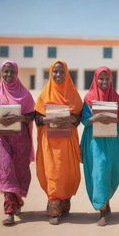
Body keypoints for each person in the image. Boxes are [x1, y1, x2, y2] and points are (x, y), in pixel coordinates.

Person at [0, 60, 35, 226]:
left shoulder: (25, 94)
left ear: (17, 73)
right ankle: (10, 211)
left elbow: (31, 115)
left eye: (12, 72)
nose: (8, 75)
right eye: (5, 72)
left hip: (21, 141)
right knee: (6, 170)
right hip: (1, 139)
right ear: (1, 73)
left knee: (19, 172)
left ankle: (17, 201)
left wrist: (19, 118)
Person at [35, 60, 82, 225]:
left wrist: (71, 118)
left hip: (67, 142)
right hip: (50, 143)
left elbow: (79, 117)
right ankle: (54, 207)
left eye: (62, 72)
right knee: (53, 173)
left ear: (66, 73)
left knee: (66, 173)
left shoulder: (72, 93)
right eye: (55, 71)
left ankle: (64, 203)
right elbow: (37, 118)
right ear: (50, 72)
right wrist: (49, 118)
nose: (58, 75)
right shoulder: (44, 94)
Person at [80, 67, 119, 226]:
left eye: (107, 79)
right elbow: (84, 120)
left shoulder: (117, 99)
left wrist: (114, 119)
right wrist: (97, 117)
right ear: (95, 79)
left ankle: (106, 200)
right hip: (95, 143)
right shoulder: (88, 98)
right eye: (101, 78)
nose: (104, 82)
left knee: (112, 172)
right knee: (99, 173)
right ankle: (102, 211)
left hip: (112, 142)